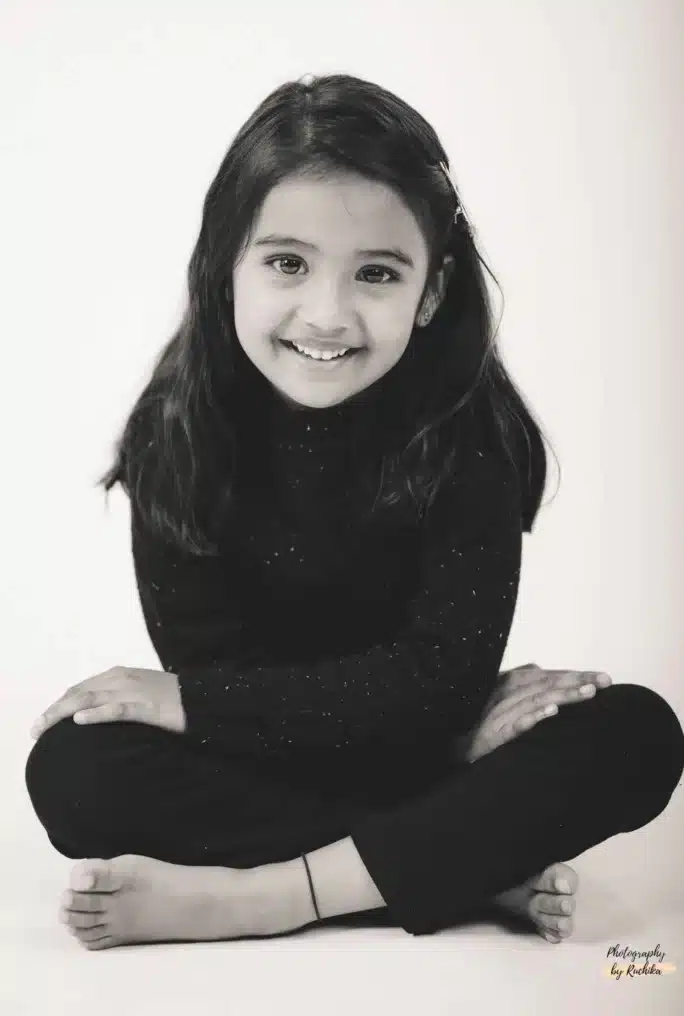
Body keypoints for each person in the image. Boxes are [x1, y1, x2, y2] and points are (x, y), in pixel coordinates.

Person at [25, 73, 684, 952]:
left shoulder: (468, 436)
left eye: (376, 272)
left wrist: (197, 701)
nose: (327, 314)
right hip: (313, 752)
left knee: (634, 733)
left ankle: (267, 897)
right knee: (76, 769)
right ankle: (462, 866)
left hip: (404, 733)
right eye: (287, 262)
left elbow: (441, 679)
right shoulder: (177, 436)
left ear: (433, 290)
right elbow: (226, 686)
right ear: (228, 264)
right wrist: (446, 745)